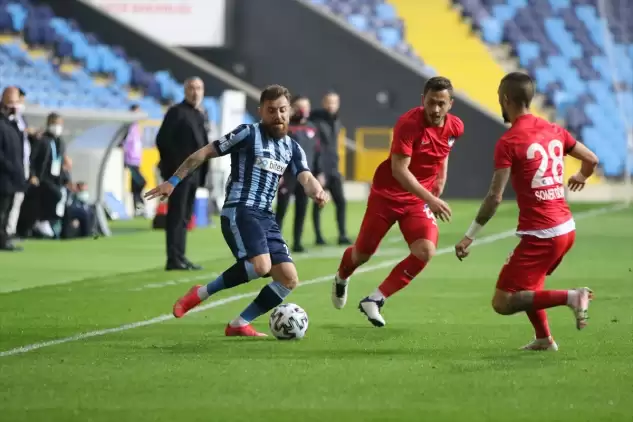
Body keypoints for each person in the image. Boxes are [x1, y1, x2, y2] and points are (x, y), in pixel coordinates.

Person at [145, 85, 329, 337]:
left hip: (266, 217)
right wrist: (173, 181)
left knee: (288, 279)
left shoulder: (292, 147)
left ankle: (239, 323)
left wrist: (318, 191)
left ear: (289, 111)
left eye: (282, 110)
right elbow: (204, 153)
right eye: (271, 110)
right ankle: (200, 293)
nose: (278, 116)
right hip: (240, 210)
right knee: (261, 266)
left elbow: (305, 177)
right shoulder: (247, 133)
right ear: (261, 111)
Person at [454, 72, 598, 351]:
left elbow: (494, 197)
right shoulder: (554, 130)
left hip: (543, 234)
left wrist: (470, 235)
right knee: (530, 288)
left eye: (499, 97)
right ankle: (544, 339)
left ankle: (572, 297)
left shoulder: (509, 141)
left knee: (503, 301)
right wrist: (581, 176)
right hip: (566, 228)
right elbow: (591, 159)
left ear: (506, 99)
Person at [331, 77, 461, 327]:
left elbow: (444, 152)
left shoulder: (455, 126)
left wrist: (439, 182)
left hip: (417, 201)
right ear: (423, 100)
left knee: (425, 251)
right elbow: (400, 170)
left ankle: (375, 299)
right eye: (431, 102)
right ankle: (342, 276)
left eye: (441, 104)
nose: (435, 109)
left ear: (450, 104)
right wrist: (431, 198)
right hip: (387, 196)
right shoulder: (408, 124)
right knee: (363, 254)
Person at [155, 77, 209, 271]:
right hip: (179, 174)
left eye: (199, 88)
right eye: (192, 88)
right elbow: (162, 140)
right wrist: (174, 168)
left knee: (185, 216)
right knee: (176, 216)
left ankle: (180, 255)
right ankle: (173, 258)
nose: (195, 92)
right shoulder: (176, 112)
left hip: (194, 174)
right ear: (185, 91)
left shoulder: (200, 114)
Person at [275, 95, 319, 252]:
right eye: (300, 107)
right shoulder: (284, 127)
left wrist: (318, 173)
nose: (303, 110)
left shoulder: (312, 128)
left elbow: (317, 152)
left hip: (305, 176)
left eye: (306, 107)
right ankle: (274, 243)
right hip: (287, 175)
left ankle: (298, 242)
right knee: (281, 210)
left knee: (302, 208)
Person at [310, 91, 350, 245]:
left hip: (334, 169)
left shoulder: (337, 121)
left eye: (334, 102)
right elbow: (316, 147)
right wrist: (318, 171)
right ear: (323, 103)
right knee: (319, 203)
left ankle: (342, 235)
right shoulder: (316, 121)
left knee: (341, 202)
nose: (331, 105)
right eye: (329, 102)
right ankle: (318, 236)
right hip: (321, 169)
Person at [0, 87, 26, 251]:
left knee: (7, 210)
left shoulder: (13, 124)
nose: (15, 106)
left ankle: (4, 239)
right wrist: (10, 167)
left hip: (12, 177)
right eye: (12, 102)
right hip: (4, 176)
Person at [6, 87, 32, 240]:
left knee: (17, 199)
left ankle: (10, 230)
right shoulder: (8, 121)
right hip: (12, 165)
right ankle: (7, 232)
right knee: (9, 200)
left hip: (22, 163)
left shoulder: (20, 119)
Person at [123, 104, 146, 217]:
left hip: (136, 161)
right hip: (130, 161)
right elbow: (125, 143)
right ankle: (139, 204)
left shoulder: (136, 127)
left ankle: (138, 206)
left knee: (136, 185)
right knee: (141, 182)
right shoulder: (128, 127)